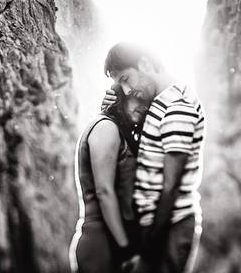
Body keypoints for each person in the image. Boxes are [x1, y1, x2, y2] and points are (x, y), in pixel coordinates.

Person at [105, 42, 205, 273]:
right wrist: (109, 111)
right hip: (158, 227)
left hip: (171, 227)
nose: (127, 90)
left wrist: (148, 252)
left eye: (126, 78)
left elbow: (171, 187)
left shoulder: (177, 107)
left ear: (146, 63)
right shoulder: (160, 102)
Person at [70, 84, 148, 272]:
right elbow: (104, 191)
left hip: (109, 241)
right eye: (136, 97)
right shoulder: (106, 127)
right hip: (101, 244)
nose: (142, 105)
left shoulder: (120, 130)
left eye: (145, 100)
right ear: (119, 97)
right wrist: (126, 248)